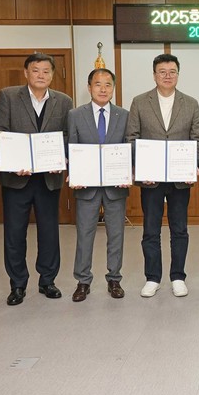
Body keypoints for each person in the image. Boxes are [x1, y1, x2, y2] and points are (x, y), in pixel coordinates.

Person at [0, 52, 73, 306]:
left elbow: (68, 136)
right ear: (26, 72)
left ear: (53, 74)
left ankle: (47, 280)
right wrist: (12, 162)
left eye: (46, 71)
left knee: (49, 232)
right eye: (35, 70)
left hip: (49, 178)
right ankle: (17, 284)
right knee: (15, 233)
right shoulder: (8, 96)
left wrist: (62, 159)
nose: (41, 75)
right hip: (17, 179)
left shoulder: (63, 101)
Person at [125, 53, 199, 298]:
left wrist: (191, 165)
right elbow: (132, 138)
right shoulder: (140, 102)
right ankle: (152, 278)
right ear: (154, 75)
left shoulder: (190, 103)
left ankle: (178, 277)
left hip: (180, 179)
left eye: (172, 72)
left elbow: (197, 139)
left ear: (178, 75)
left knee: (179, 229)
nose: (167, 76)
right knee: (151, 229)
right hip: (151, 179)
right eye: (162, 72)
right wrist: (142, 167)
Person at [67, 69, 129, 302]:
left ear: (113, 88)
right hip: (86, 186)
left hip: (116, 186)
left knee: (116, 235)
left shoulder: (124, 115)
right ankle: (83, 281)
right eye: (98, 84)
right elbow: (72, 147)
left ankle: (114, 279)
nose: (103, 89)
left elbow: (129, 146)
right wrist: (74, 173)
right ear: (89, 87)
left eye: (108, 84)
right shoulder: (75, 115)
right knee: (84, 234)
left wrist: (129, 170)